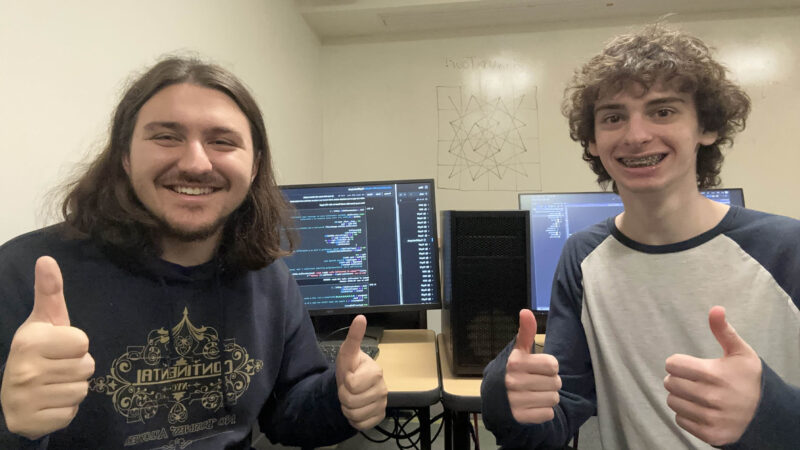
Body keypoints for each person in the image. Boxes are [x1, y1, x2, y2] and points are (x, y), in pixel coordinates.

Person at [0, 56, 388, 449]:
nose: (196, 164)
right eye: (166, 137)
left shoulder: (267, 276)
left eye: (222, 141)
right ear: (125, 156)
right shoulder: (25, 276)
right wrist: (13, 424)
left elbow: (288, 411)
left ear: (253, 167)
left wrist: (341, 399)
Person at [481, 23, 800, 449]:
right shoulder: (583, 257)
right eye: (613, 117)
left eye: (662, 111)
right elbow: (557, 420)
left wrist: (772, 414)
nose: (636, 135)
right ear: (593, 142)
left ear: (706, 127)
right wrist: (507, 402)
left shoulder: (787, 249)